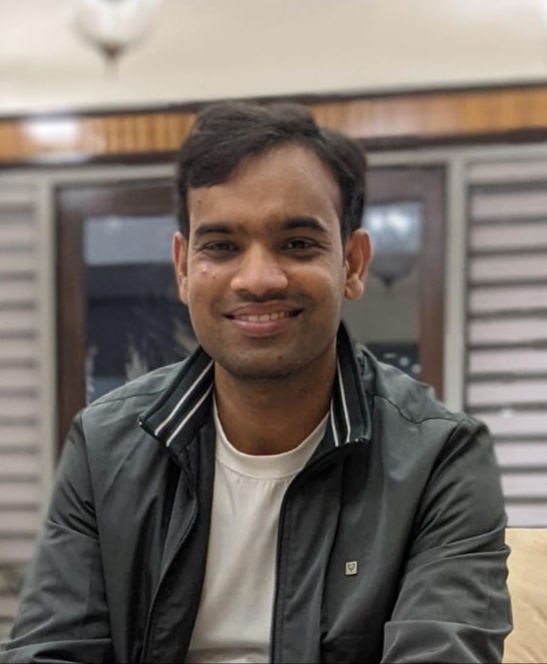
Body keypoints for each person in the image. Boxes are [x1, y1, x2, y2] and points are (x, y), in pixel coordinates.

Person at [1, 101, 512, 663]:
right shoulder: (105, 448)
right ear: (183, 267)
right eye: (222, 246)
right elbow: (51, 651)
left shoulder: (440, 458)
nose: (258, 279)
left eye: (297, 244)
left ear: (353, 263)